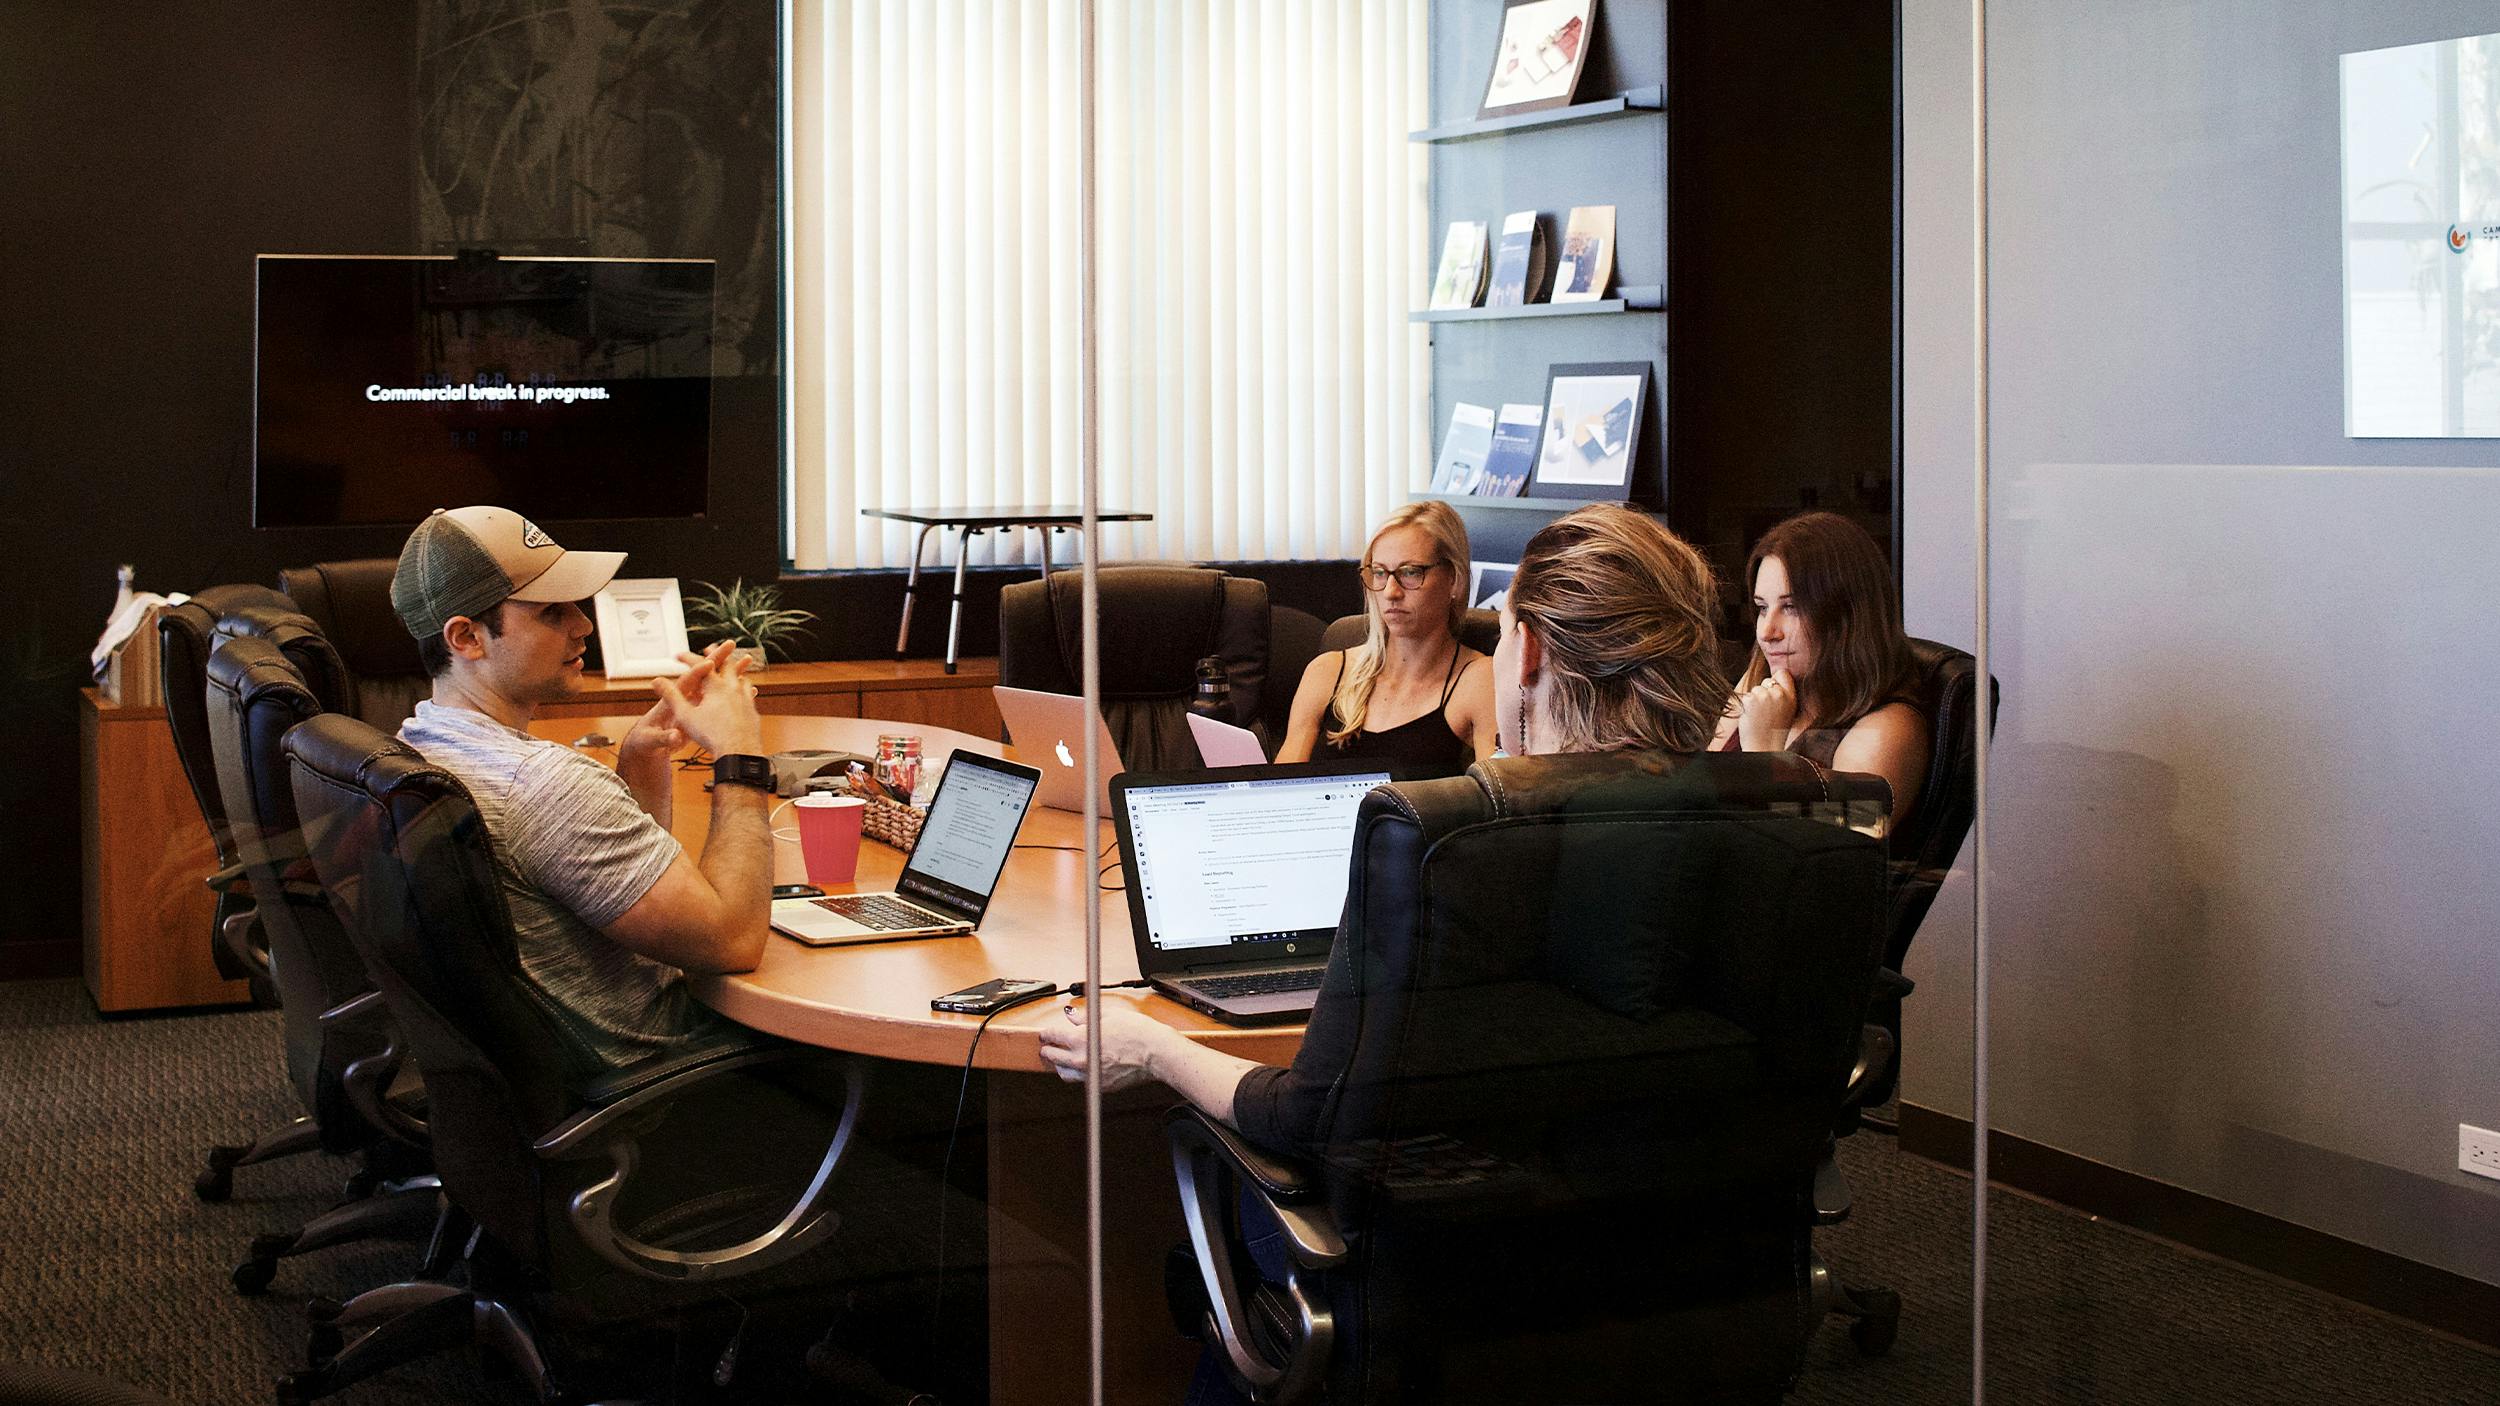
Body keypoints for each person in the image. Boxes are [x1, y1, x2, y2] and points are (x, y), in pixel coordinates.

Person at [1037, 502, 1724, 1142]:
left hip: (1442, 1237)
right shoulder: (1770, 816)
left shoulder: (1447, 853)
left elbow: (1306, 1111)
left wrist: (1152, 1047)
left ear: (1532, 650)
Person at [391, 505, 777, 1073]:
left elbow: (606, 884)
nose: (583, 624)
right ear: (468, 637)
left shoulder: (418, 740)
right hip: (667, 1075)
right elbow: (733, 942)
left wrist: (640, 758)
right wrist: (740, 756)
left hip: (539, 1080)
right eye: (551, 611)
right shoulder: (542, 784)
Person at [1713, 511, 1929, 830]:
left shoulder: (1889, 729)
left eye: (1791, 607)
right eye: (1762, 608)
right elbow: (1699, 803)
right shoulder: (1760, 681)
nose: (1767, 632)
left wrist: (1762, 755)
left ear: (1846, 614)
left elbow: (1831, 858)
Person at [1275, 501, 1496, 767]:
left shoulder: (1481, 679)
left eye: (1411, 572)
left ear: (1454, 579)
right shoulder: (1327, 671)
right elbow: (1282, 793)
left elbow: (1501, 802)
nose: (1391, 592)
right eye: (1379, 573)